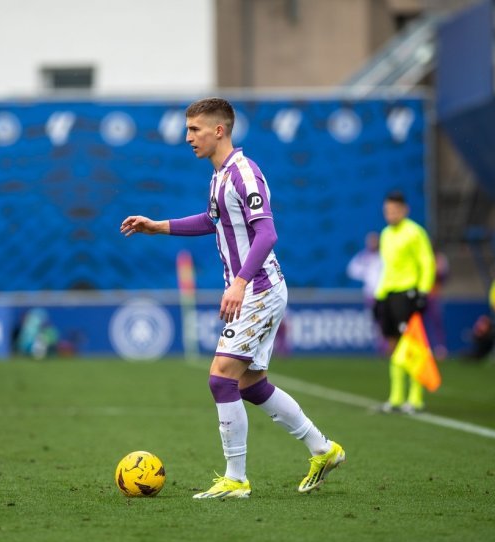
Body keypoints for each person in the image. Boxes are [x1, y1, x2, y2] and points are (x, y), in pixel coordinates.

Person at [120, 97, 345, 499]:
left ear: (219, 130)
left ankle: (236, 478)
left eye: (195, 130)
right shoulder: (219, 175)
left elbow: (268, 233)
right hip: (256, 287)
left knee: (220, 377)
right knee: (250, 385)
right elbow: (212, 220)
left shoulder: (244, 173)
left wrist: (240, 281)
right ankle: (323, 449)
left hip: (258, 289)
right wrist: (159, 226)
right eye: (188, 130)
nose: (188, 138)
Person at [373, 191, 436, 414]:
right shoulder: (386, 234)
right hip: (388, 294)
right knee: (392, 344)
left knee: (412, 344)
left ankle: (415, 397)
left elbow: (427, 262)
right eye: (387, 211)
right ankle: (396, 397)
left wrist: (423, 292)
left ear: (405, 210)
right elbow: (387, 268)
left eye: (395, 210)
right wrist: (379, 297)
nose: (390, 214)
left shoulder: (415, 232)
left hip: (407, 294)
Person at [346, 231, 384, 352]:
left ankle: (386, 346)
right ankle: (381, 345)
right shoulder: (363, 256)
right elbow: (351, 269)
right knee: (376, 320)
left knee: (384, 320)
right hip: (370, 293)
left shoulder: (383, 255)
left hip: (384, 292)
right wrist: (364, 274)